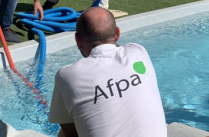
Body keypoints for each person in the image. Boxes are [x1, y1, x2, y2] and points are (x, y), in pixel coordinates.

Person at [48, 7, 167, 137]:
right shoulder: (139, 52)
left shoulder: (67, 75)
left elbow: (70, 133)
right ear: (117, 33)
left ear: (78, 40)